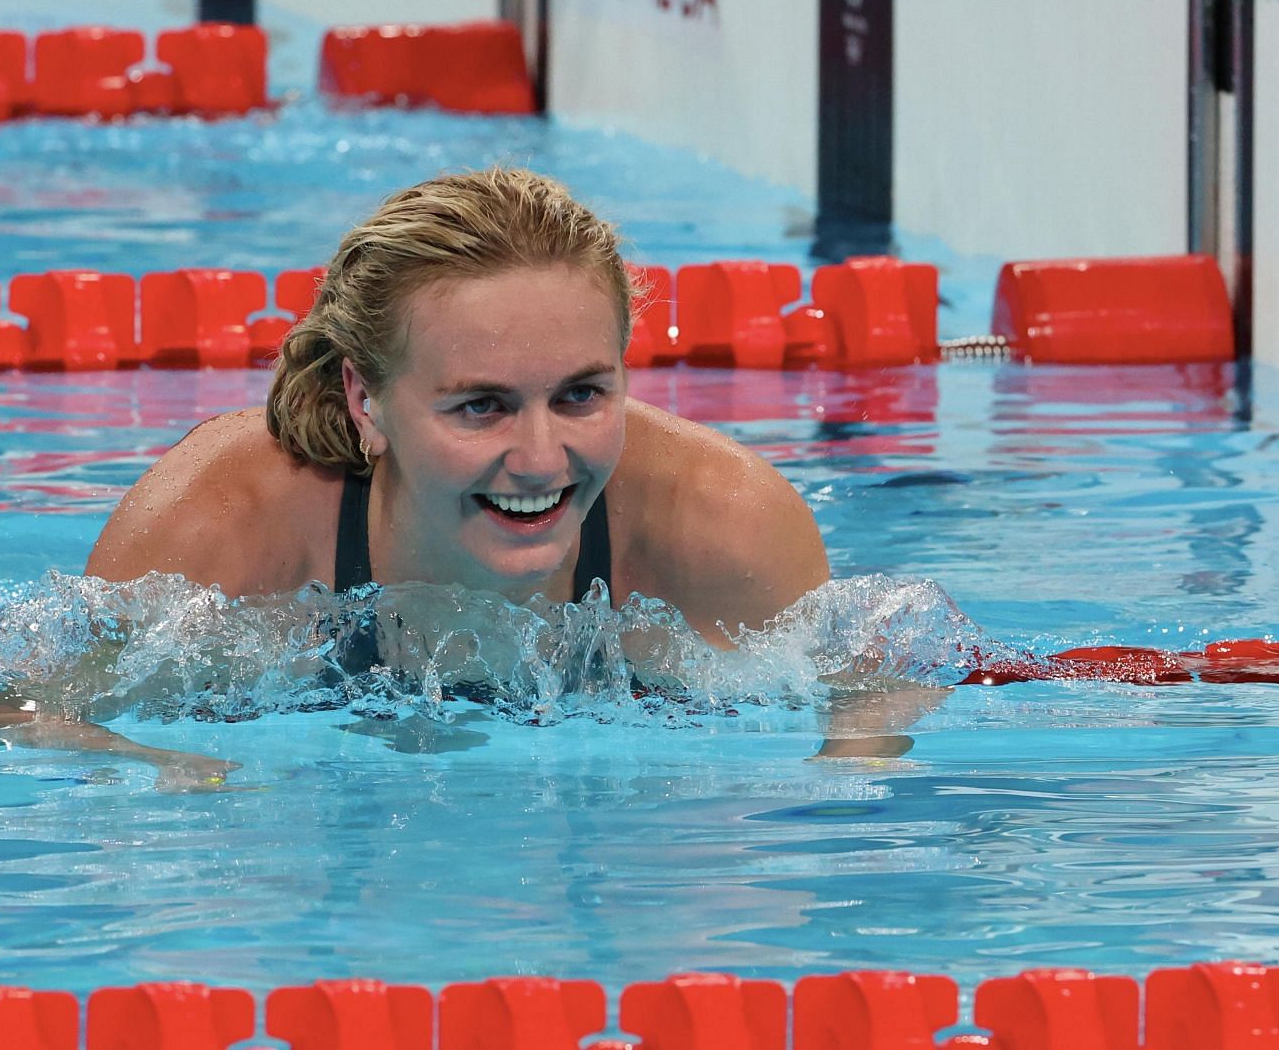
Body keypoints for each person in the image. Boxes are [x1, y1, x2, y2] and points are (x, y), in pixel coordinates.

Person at [84, 168, 935, 755]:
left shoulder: (723, 524)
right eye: (481, 406)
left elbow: (872, 692)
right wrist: (147, 774)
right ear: (365, 399)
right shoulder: (221, 524)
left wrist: (845, 776)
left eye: (581, 396)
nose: (539, 460)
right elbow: (17, 710)